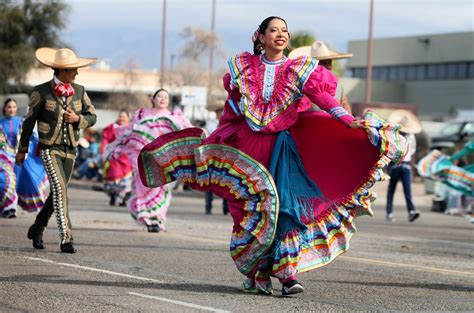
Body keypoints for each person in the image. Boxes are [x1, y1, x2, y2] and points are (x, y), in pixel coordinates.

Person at [138, 16, 407, 296]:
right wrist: (216, 141)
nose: (281, 35)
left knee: (286, 207)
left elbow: (322, 97)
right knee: (249, 210)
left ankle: (287, 274)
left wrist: (344, 117)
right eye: (274, 30)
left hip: (281, 148)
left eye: (285, 31)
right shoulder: (243, 69)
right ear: (261, 37)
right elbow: (232, 109)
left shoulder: (298, 70)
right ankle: (257, 271)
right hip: (247, 150)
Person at [16, 47, 97, 253]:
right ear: (61, 70)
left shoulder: (80, 90)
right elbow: (28, 122)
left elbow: (92, 116)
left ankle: (38, 227)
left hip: (70, 149)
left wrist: (79, 119)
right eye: (73, 70)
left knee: (58, 193)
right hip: (49, 148)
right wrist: (22, 149)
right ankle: (66, 238)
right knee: (61, 191)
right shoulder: (41, 91)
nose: (76, 73)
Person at [107, 89, 193, 232]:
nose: (163, 99)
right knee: (144, 187)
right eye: (159, 96)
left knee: (162, 189)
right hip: (144, 159)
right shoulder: (141, 114)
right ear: (153, 99)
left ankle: (158, 219)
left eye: (166, 97)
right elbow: (131, 131)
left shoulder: (175, 117)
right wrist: (120, 134)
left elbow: (187, 132)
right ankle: (148, 219)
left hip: (165, 161)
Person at [0, 98, 49, 218]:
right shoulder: (0, 123)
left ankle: (9, 207)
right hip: (3, 157)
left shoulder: (22, 122)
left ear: (16, 109)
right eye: (9, 107)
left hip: (20, 157)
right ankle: (9, 208)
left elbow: (32, 137)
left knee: (26, 181)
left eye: (13, 107)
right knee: (7, 179)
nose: (11, 109)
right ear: (4, 109)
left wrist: (41, 145)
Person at [289, 41, 353, 113]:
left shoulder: (338, 86)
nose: (328, 66)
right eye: (323, 63)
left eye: (328, 62)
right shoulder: (302, 86)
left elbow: (347, 111)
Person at [386, 110, 422, 222]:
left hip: (401, 165)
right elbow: (412, 150)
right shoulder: (396, 135)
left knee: (402, 190)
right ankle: (392, 212)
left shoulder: (407, 136)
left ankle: (408, 212)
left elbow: (412, 149)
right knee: (395, 190)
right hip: (400, 165)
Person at [101, 109, 133, 206]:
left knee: (127, 180)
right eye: (120, 116)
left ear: (129, 119)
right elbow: (105, 142)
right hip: (114, 157)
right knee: (113, 177)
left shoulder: (132, 129)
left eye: (124, 116)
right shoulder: (112, 128)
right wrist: (103, 153)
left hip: (127, 158)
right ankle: (113, 196)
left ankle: (123, 198)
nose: (121, 118)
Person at [204, 100, 229, 215]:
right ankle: (208, 206)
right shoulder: (211, 124)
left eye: (223, 111)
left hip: (225, 155)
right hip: (212, 155)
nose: (221, 114)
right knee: (209, 181)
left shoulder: (229, 123)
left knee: (226, 181)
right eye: (219, 112)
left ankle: (226, 207)